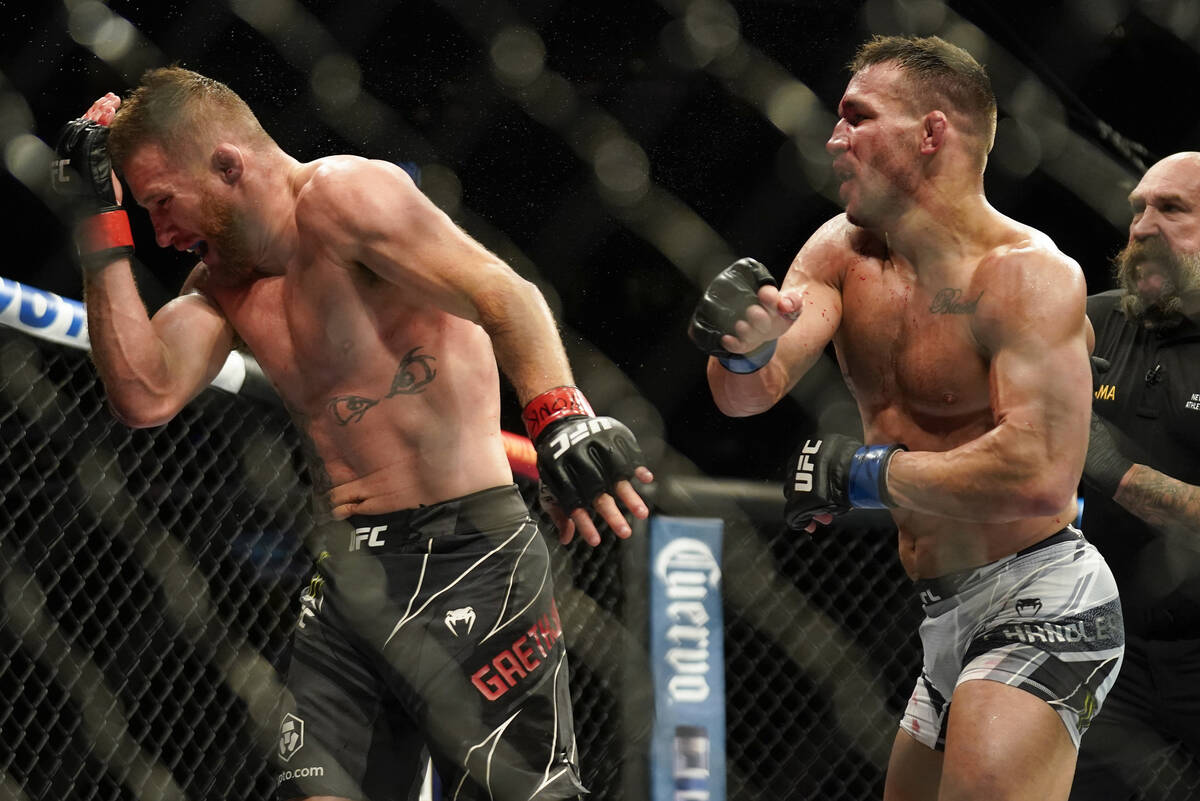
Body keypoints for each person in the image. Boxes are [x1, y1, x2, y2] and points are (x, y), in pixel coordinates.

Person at [52, 68, 653, 801]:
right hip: (347, 572)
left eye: (161, 203)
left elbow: (505, 292)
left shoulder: (345, 197)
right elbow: (143, 395)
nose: (164, 233)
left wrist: (557, 415)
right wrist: (99, 230)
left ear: (227, 165)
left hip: (469, 549)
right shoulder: (221, 285)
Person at [688, 35, 1123, 800]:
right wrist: (743, 351)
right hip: (941, 611)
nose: (832, 139)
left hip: (1041, 595)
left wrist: (862, 474)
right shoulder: (841, 249)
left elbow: (1037, 474)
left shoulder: (1027, 276)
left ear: (930, 134)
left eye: (857, 117)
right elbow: (750, 392)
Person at [1069, 152, 1200, 800]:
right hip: (1106, 641)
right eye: (1137, 209)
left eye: (1172, 209)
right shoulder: (1086, 321)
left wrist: (1115, 470)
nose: (1144, 226)